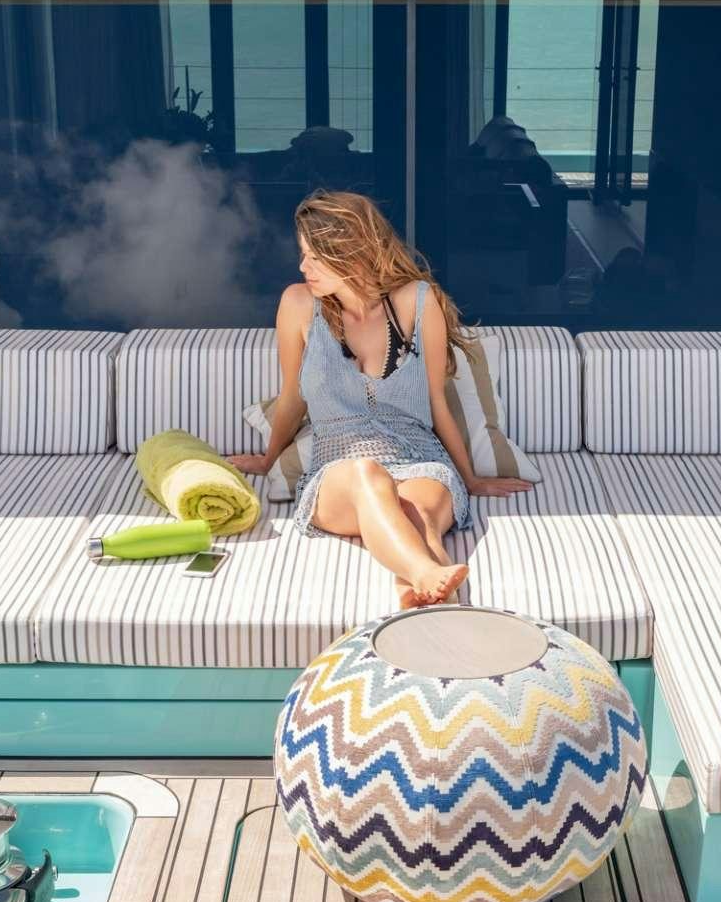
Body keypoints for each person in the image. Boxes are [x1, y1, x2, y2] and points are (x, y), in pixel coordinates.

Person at [226, 191, 533, 608]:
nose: (303, 268)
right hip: (340, 473)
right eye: (303, 256)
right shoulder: (298, 305)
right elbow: (293, 396)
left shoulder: (418, 301)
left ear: (350, 252)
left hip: (420, 459)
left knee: (419, 518)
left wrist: (472, 479)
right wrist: (267, 461)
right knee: (367, 475)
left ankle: (432, 610)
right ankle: (430, 578)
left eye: (314, 257)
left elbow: (437, 404)